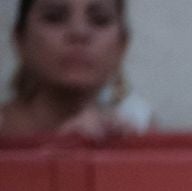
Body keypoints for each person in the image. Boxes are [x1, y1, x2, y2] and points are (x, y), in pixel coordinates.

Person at [1, 0, 151, 139]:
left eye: (100, 20)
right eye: (55, 17)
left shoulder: (141, 133)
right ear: (20, 39)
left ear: (122, 44)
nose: (79, 32)